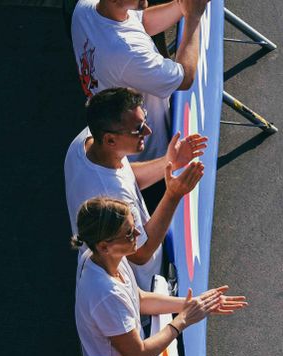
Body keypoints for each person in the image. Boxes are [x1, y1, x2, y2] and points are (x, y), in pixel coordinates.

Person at [72, 196, 246, 356]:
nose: (138, 234)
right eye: (129, 233)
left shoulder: (104, 258)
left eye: (134, 225)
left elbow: (139, 299)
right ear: (104, 246)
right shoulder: (106, 294)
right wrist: (182, 320)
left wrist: (194, 304)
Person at [64, 87, 205, 291]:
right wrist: (173, 195)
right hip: (144, 288)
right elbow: (141, 253)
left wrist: (169, 162)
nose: (148, 131)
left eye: (144, 119)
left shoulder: (85, 141)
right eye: (138, 129)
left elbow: (127, 176)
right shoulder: (112, 195)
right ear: (110, 139)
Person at [71, 0, 207, 161]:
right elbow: (185, 78)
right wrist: (193, 18)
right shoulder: (128, 53)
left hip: (118, 143)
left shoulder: (84, 8)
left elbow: (140, 22)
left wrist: (183, 5)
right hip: (147, 156)